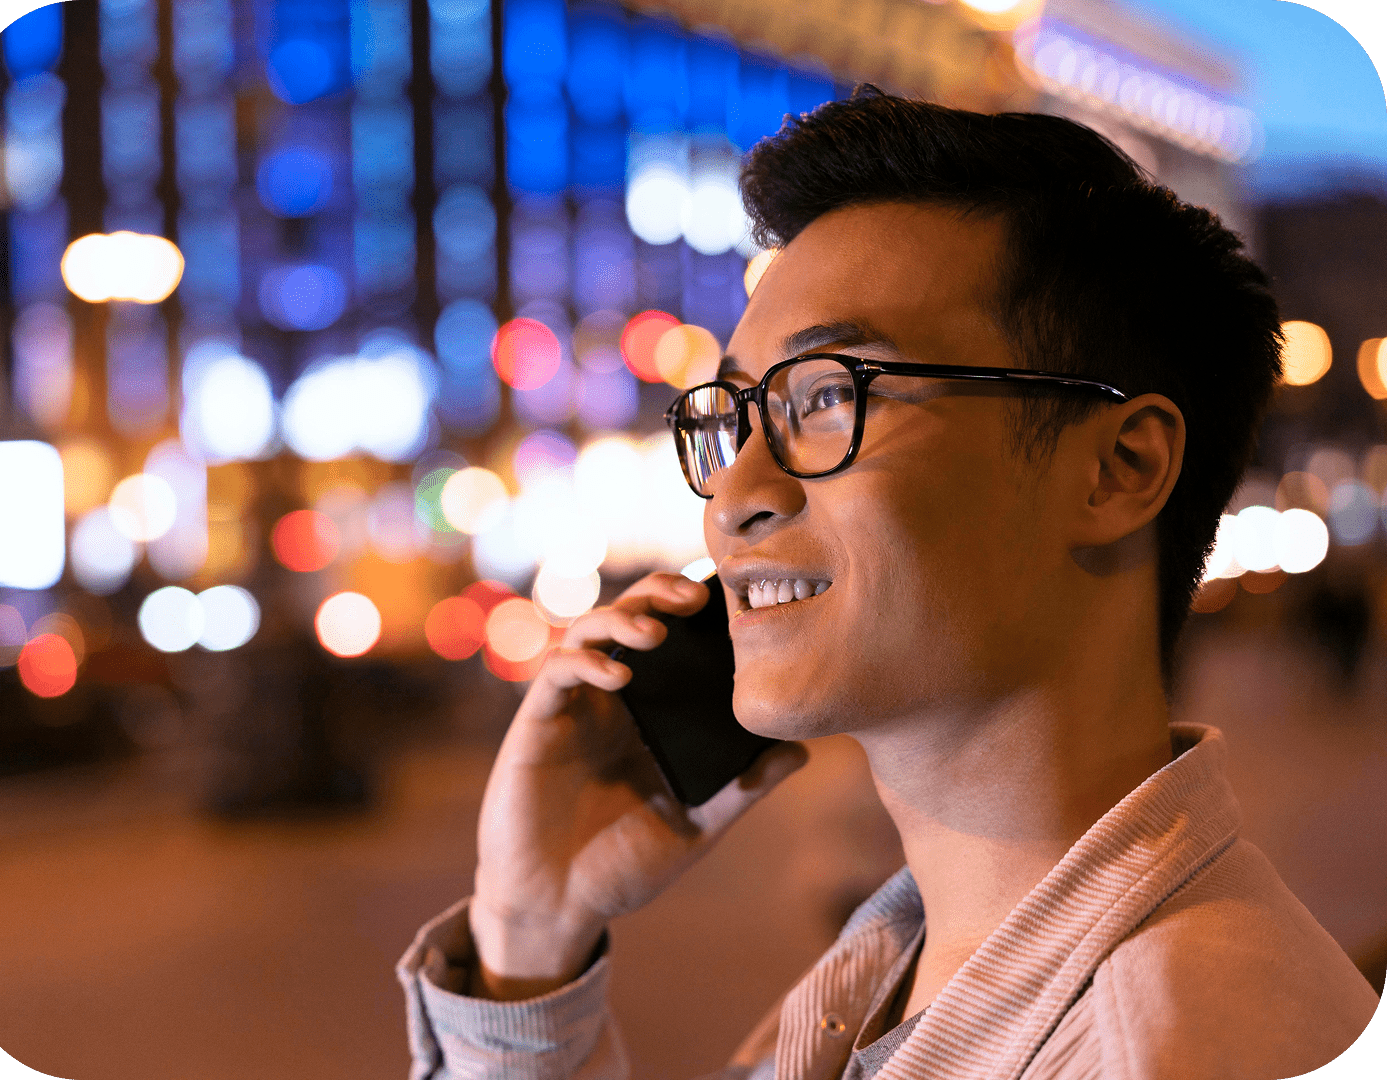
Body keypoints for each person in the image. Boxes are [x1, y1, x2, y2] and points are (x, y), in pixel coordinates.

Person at [397, 89, 1380, 1079]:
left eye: (826, 394)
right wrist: (528, 942)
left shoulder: (1177, 1047)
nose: (734, 491)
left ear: (1117, 468)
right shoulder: (894, 976)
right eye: (736, 414)